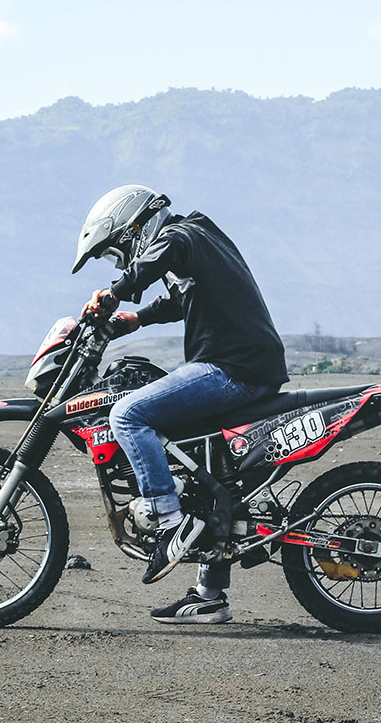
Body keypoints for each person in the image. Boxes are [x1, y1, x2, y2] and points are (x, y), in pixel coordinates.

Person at [74, 184, 287, 623]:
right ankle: (209, 596)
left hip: (231, 369)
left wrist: (116, 291)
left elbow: (166, 253)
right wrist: (137, 317)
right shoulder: (201, 238)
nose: (122, 261)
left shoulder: (183, 234)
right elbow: (182, 295)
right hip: (247, 366)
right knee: (212, 475)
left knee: (128, 414)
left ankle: (168, 519)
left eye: (119, 251)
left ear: (134, 227)